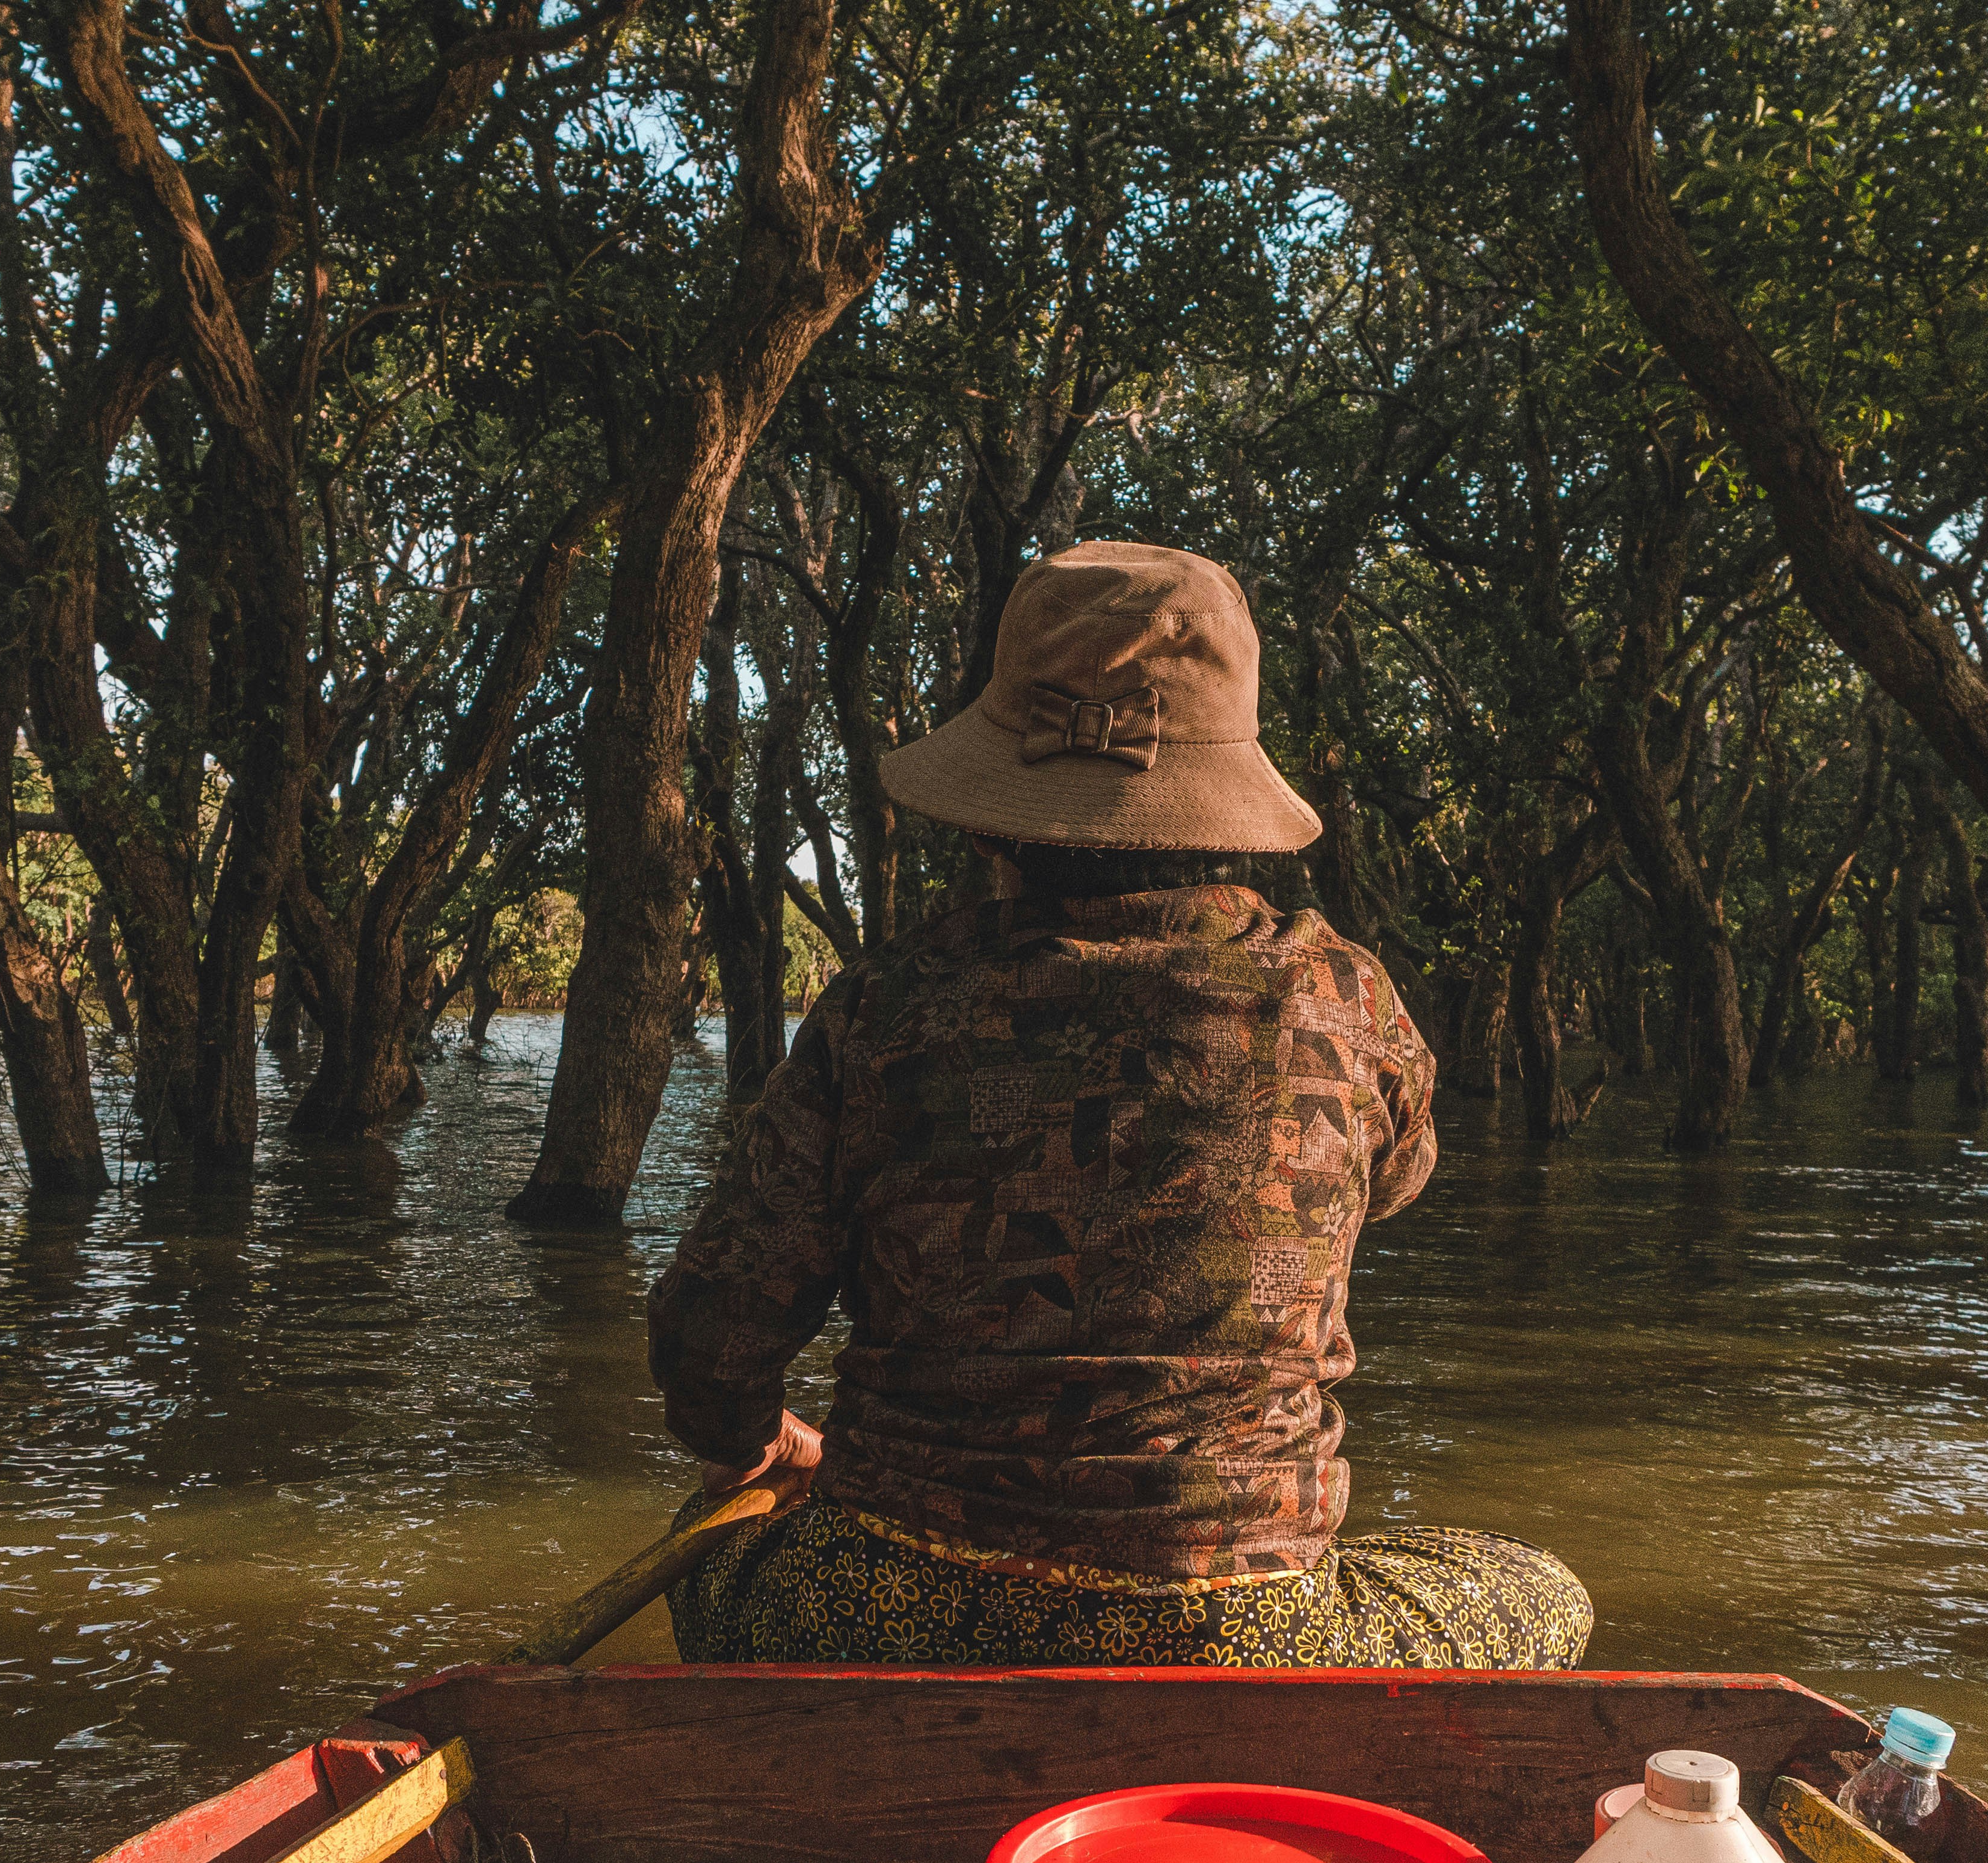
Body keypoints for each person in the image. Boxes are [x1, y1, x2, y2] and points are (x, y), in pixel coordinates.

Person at [647, 540, 1593, 1668]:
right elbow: (1393, 1184)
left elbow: (707, 1339)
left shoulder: (882, 1009)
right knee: (1547, 1590)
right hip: (1245, 1633)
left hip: (906, 1608)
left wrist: (767, 1442)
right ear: (1224, 797)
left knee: (703, 1546)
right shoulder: (1344, 1001)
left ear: (996, 806)